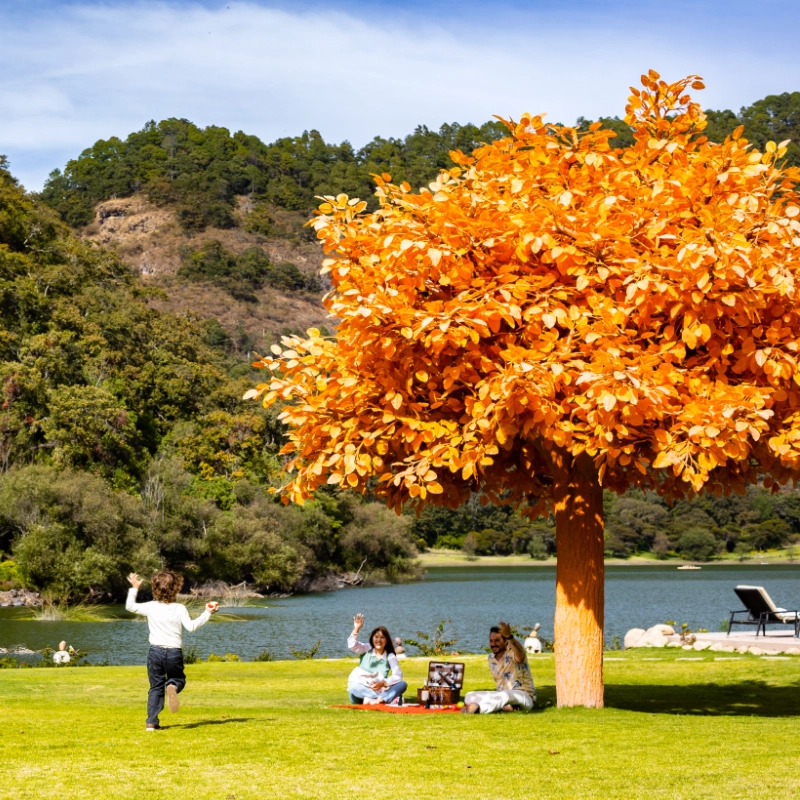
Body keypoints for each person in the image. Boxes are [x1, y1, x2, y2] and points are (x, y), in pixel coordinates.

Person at [126, 571, 218, 731]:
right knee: (178, 680)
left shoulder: (151, 607)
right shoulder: (179, 608)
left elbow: (130, 606)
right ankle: (173, 687)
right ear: (175, 589)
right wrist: (207, 613)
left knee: (155, 687)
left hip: (155, 652)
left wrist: (134, 587)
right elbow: (191, 626)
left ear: (155, 589)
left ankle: (151, 723)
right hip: (174, 652)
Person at [462, 621, 536, 714]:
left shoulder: (513, 653)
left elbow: (520, 656)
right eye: (491, 641)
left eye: (497, 640)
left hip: (524, 696)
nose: (493, 644)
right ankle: (508, 708)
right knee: (469, 695)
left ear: (505, 642)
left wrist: (509, 637)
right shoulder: (491, 658)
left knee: (504, 695)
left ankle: (479, 710)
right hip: (502, 695)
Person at [347, 613, 407, 705]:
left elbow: (398, 676)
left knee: (402, 684)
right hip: (362, 690)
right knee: (353, 686)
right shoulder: (367, 648)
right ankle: (384, 699)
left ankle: (376, 700)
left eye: (382, 637)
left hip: (380, 689)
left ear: (386, 641)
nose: (379, 640)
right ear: (372, 638)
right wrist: (356, 629)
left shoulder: (390, 656)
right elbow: (352, 645)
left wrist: (384, 682)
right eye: (376, 637)